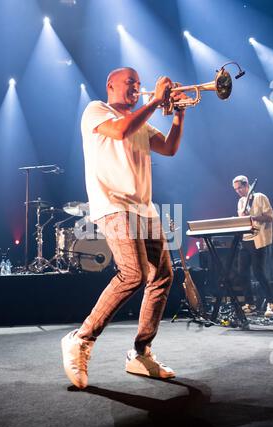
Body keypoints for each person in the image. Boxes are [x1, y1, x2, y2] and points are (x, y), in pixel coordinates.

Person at [61, 67, 186, 389]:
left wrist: (178, 115)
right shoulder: (96, 110)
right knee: (133, 274)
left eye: (139, 85)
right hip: (113, 205)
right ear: (111, 84)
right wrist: (156, 101)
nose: (136, 88)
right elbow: (120, 132)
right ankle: (82, 338)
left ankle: (141, 353)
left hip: (145, 209)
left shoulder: (143, 120)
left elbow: (170, 149)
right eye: (131, 83)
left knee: (162, 277)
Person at [232, 175, 273, 317]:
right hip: (245, 240)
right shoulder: (240, 202)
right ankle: (250, 304)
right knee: (242, 272)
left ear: (247, 185)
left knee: (258, 272)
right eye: (236, 189)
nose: (238, 191)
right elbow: (243, 221)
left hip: (259, 239)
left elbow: (270, 217)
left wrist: (253, 217)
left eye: (240, 187)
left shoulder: (259, 197)